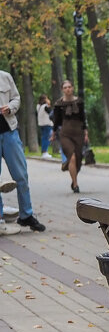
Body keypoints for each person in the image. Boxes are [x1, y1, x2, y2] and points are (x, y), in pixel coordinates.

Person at [0, 68, 46, 235]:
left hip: (10, 132)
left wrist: (10, 108)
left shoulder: (5, 77)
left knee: (21, 175)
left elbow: (16, 98)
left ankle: (26, 215)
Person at [51, 80, 88, 193]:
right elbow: (56, 120)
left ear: (73, 88)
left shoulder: (79, 102)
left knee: (78, 159)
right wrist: (53, 133)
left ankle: (73, 177)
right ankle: (76, 185)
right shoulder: (58, 104)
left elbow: (83, 117)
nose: (68, 89)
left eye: (69, 87)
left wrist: (86, 133)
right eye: (65, 87)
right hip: (65, 133)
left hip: (79, 133)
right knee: (71, 156)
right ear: (62, 89)